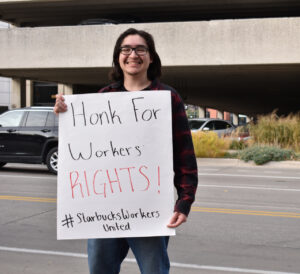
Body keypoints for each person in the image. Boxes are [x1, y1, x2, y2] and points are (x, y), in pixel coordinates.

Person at [54, 28, 198, 274]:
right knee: (100, 269)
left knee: (155, 271)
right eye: (126, 49)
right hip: (104, 211)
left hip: (149, 210)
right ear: (118, 57)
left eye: (141, 49)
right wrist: (66, 116)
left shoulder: (167, 98)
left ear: (151, 57)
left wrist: (184, 202)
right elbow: (83, 152)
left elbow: (184, 154)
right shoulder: (102, 98)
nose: (133, 54)